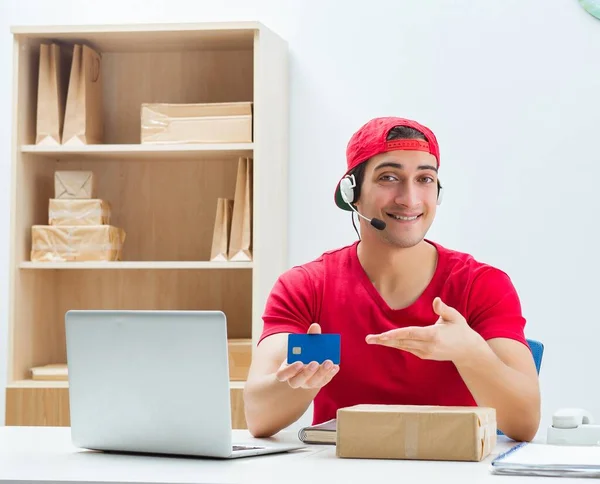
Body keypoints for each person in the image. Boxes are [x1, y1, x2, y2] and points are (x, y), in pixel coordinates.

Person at [243, 116, 541, 442]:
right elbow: (258, 416)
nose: (410, 199)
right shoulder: (305, 288)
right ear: (351, 193)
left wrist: (471, 351)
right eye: (389, 177)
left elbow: (524, 423)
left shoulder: (482, 285)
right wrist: (298, 380)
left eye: (425, 179)